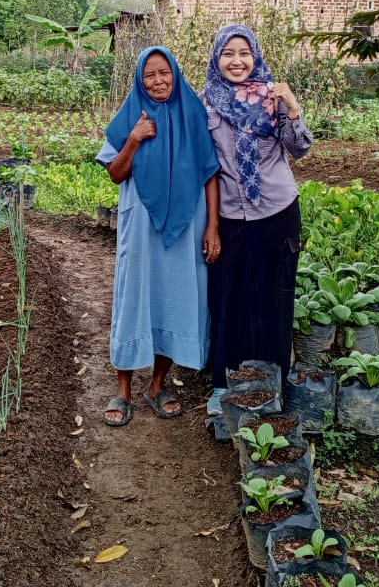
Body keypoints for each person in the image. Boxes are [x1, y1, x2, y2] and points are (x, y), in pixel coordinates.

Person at [97, 46, 221, 426]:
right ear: (139, 79)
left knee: (175, 297)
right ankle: (123, 391)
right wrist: (134, 138)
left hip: (187, 224)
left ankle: (157, 385)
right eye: (149, 75)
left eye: (163, 73)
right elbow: (115, 174)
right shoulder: (131, 114)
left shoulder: (194, 113)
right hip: (142, 222)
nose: (158, 81)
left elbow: (209, 172)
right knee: (134, 296)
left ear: (175, 73)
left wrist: (213, 226)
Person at [202, 24, 312, 415]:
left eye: (243, 53)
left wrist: (293, 109)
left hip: (277, 211)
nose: (237, 61)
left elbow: (298, 149)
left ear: (255, 56)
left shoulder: (273, 97)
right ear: (217, 58)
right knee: (228, 300)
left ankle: (272, 383)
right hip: (231, 214)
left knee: (273, 298)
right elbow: (204, 166)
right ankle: (223, 385)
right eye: (228, 53)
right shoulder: (207, 104)